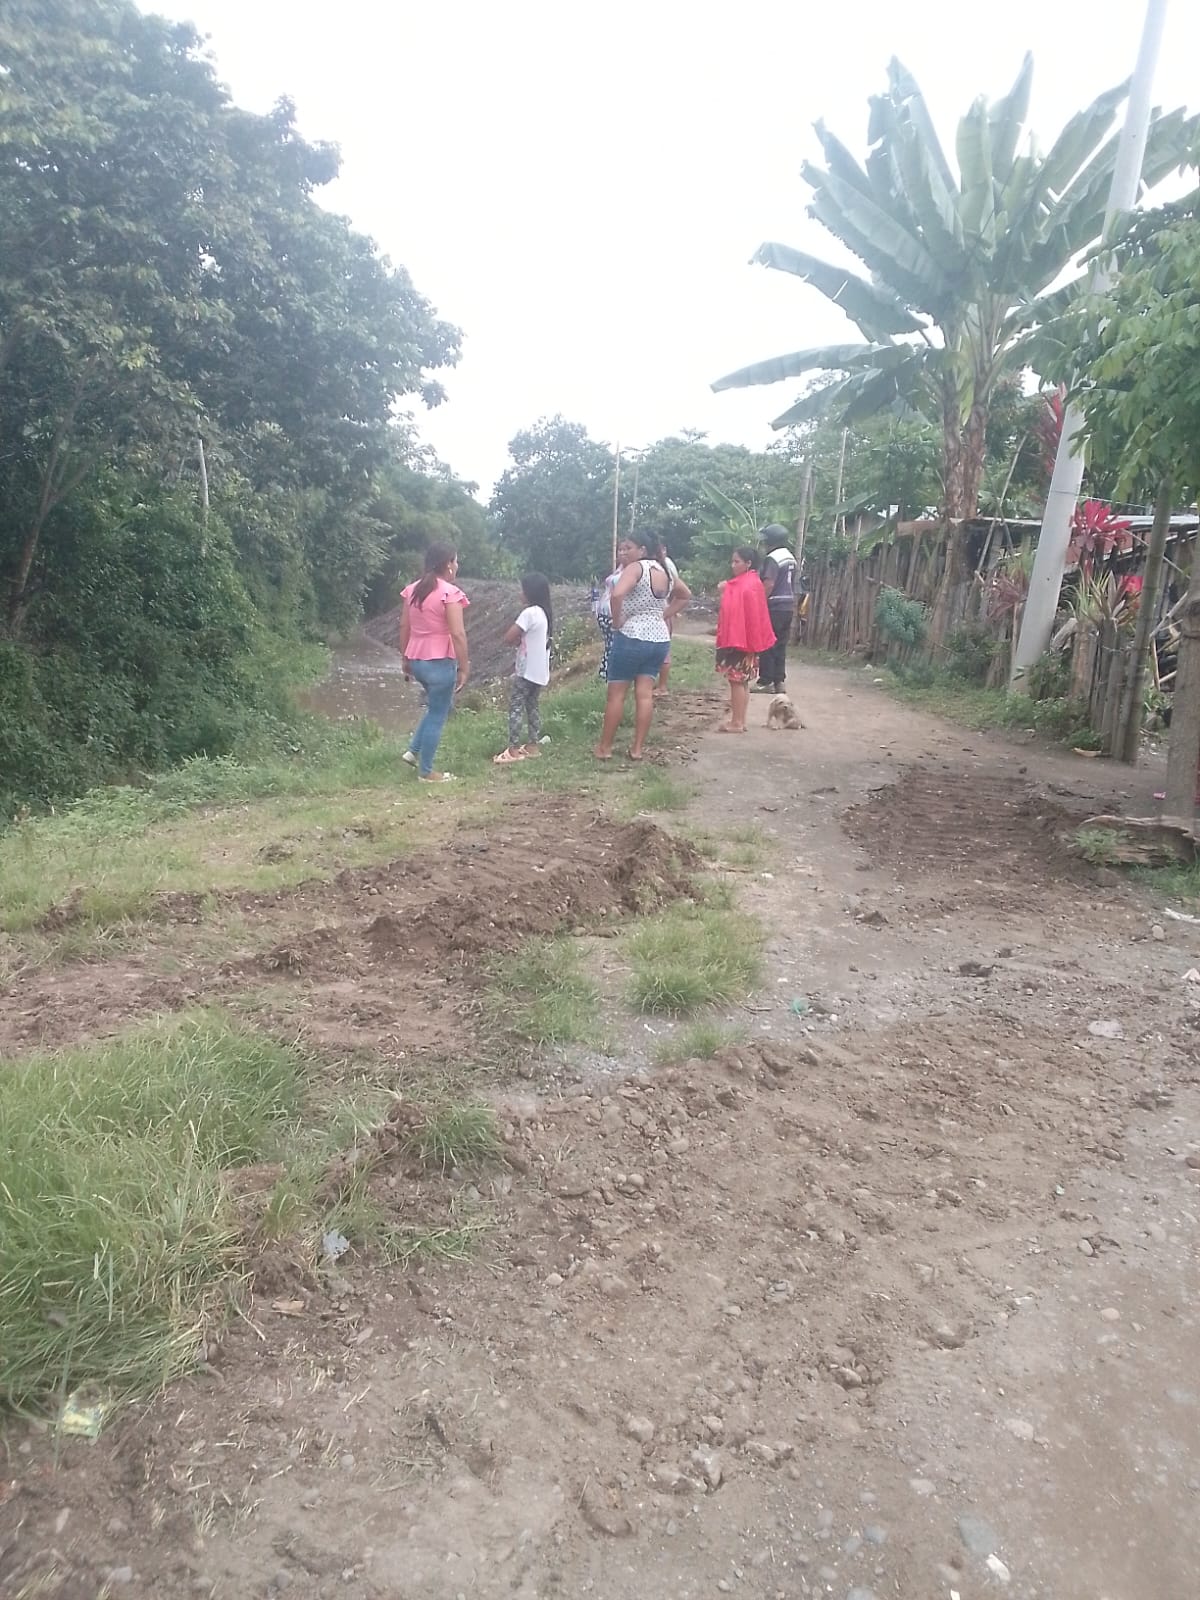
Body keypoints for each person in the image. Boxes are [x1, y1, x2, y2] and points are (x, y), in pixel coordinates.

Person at [594, 535, 691, 761]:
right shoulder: (665, 570)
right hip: (659, 639)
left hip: (631, 636)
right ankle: (637, 749)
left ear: (642, 550)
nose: (623, 552)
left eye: (629, 548)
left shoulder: (636, 569)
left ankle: (605, 748)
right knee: (645, 695)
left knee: (616, 695)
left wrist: (616, 621)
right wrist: (662, 615)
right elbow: (685, 595)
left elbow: (617, 594)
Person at [398, 543, 469, 784]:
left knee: (434, 707)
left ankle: (412, 751)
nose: (457, 566)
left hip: (417, 660)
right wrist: (465, 667)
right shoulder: (450, 593)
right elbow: (458, 634)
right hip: (439, 662)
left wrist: (405, 658)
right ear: (448, 564)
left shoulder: (413, 590)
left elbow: (404, 626)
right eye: (456, 561)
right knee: (439, 714)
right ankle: (427, 772)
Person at [715, 546, 777, 733]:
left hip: (739, 641)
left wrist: (724, 591)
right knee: (742, 681)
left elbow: (730, 611)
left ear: (748, 563)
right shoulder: (753, 582)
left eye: (737, 562)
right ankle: (740, 720)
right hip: (748, 640)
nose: (733, 565)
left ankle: (737, 722)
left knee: (736, 681)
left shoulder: (741, 585)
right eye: (732, 561)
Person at [494, 572, 553, 765]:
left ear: (530, 592)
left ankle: (513, 749)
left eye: (522, 589)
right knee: (532, 706)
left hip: (525, 671)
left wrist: (516, 639)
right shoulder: (544, 613)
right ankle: (533, 745)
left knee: (516, 707)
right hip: (539, 671)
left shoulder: (529, 613)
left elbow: (509, 637)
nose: (520, 593)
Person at [756, 524, 798, 693]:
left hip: (773, 606)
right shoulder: (790, 558)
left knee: (767, 644)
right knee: (780, 645)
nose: (764, 545)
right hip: (787, 607)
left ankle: (765, 681)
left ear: (771, 542)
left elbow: (769, 583)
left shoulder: (773, 558)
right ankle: (779, 681)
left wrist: (758, 604)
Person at [654, 539, 681, 698]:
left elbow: (679, 591)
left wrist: (670, 610)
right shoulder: (658, 565)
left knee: (663, 649)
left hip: (661, 612)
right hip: (662, 611)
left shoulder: (666, 565)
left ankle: (662, 686)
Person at [594, 556, 623, 682]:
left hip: (614, 612)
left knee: (613, 644)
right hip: (604, 611)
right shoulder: (620, 569)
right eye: (621, 550)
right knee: (609, 644)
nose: (622, 553)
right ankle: (606, 671)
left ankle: (610, 673)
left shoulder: (633, 572)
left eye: (627, 549)